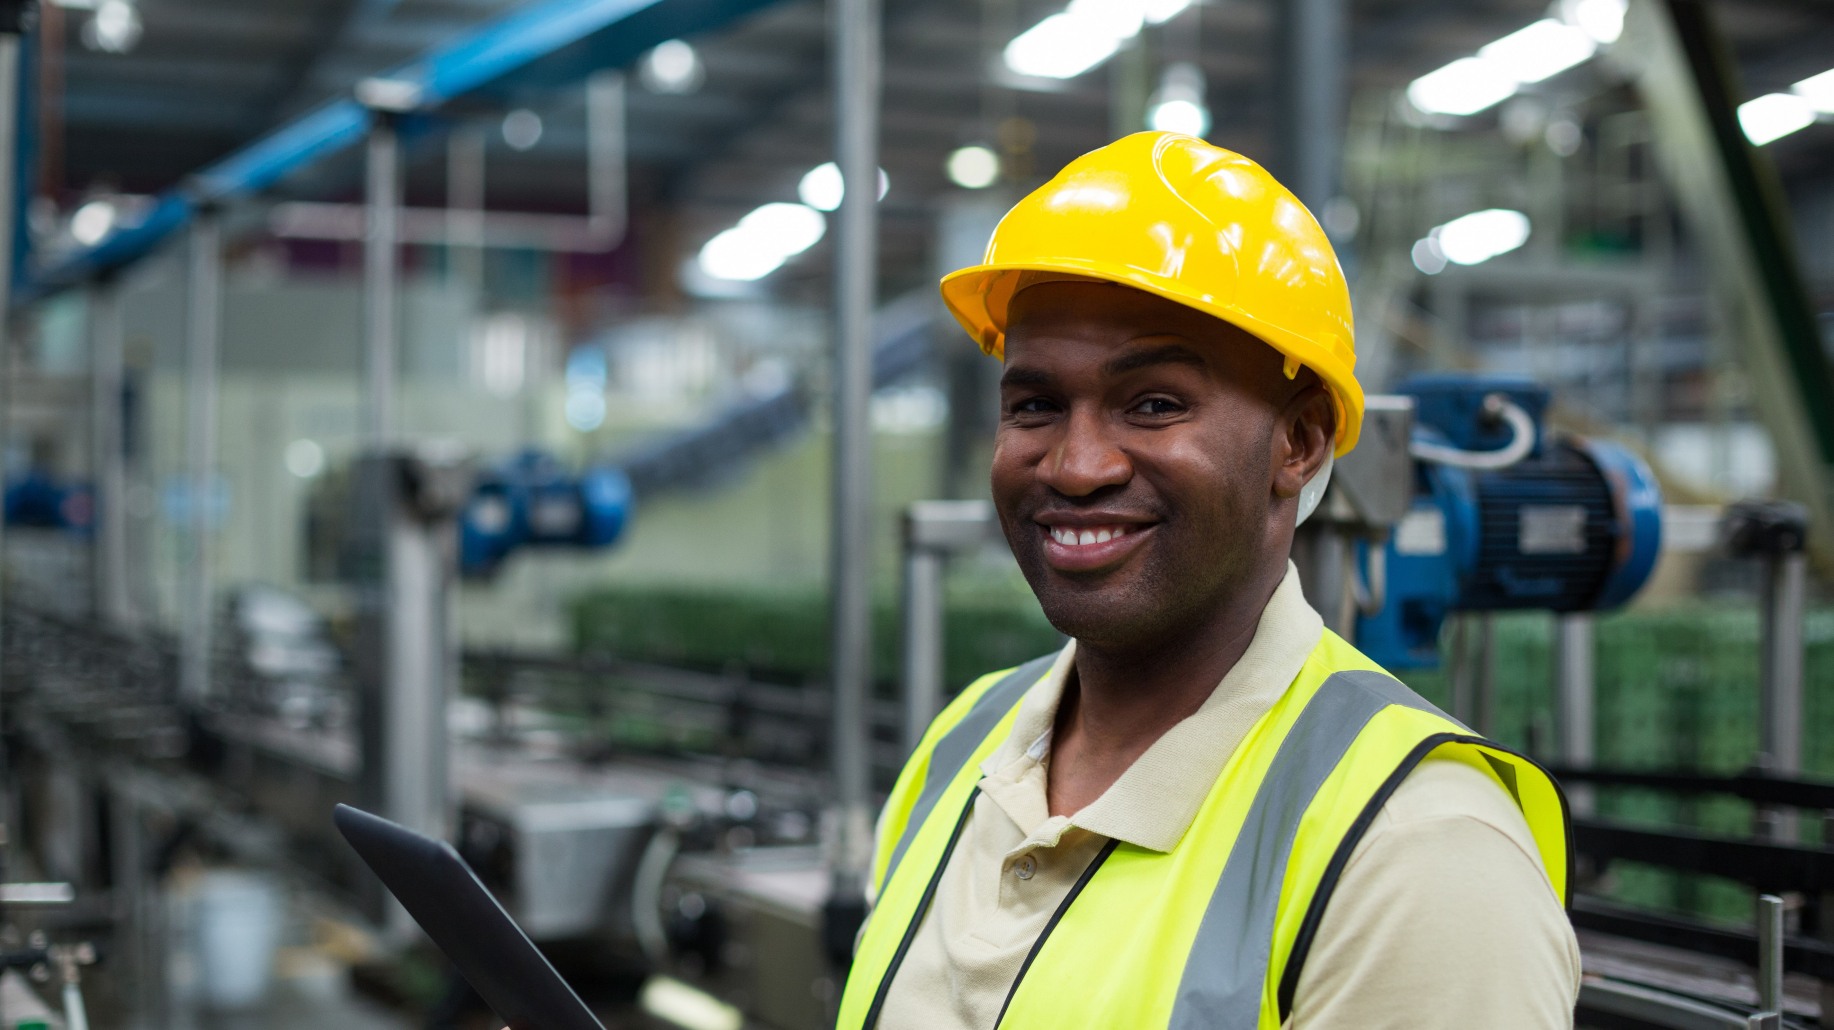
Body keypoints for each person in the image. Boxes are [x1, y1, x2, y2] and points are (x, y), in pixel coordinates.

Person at [836, 132, 1578, 1029]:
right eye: (1034, 405)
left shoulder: (1419, 854)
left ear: (1298, 444)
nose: (1074, 466)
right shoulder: (963, 747)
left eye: (1153, 404)